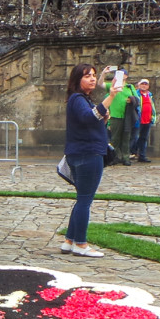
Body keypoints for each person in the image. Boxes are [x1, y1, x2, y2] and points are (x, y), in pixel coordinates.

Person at [62, 63, 120, 257]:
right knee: (85, 201)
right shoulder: (78, 99)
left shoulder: (80, 99)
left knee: (81, 200)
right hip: (88, 154)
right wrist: (111, 96)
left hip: (80, 153)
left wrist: (103, 117)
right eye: (87, 76)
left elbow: (90, 120)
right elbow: (88, 118)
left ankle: (69, 240)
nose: (93, 79)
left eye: (94, 75)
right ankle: (81, 244)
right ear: (77, 80)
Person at [101, 67, 138, 166]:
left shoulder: (130, 87)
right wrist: (103, 73)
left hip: (127, 116)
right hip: (115, 116)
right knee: (115, 139)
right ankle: (116, 156)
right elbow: (100, 84)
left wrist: (131, 100)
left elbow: (137, 99)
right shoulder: (112, 86)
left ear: (126, 76)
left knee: (126, 138)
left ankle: (126, 157)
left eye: (123, 74)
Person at [131, 79, 157, 163]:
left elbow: (152, 107)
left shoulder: (150, 95)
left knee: (144, 138)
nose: (144, 86)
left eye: (146, 84)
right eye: (142, 84)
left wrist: (153, 117)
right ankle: (132, 152)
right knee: (134, 138)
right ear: (139, 85)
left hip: (147, 119)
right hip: (138, 119)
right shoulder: (136, 94)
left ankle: (142, 155)